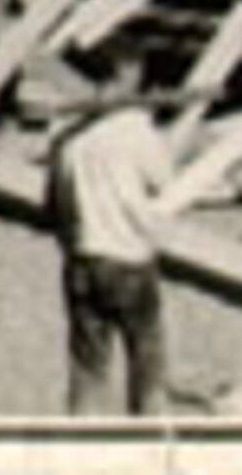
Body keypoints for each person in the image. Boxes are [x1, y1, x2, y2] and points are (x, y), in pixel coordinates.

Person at [48, 48, 178, 416]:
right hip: (128, 257)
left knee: (88, 366)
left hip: (82, 257)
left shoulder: (67, 136)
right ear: (128, 72)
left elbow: (53, 207)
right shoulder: (136, 129)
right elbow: (165, 182)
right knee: (147, 360)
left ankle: (82, 450)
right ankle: (149, 451)